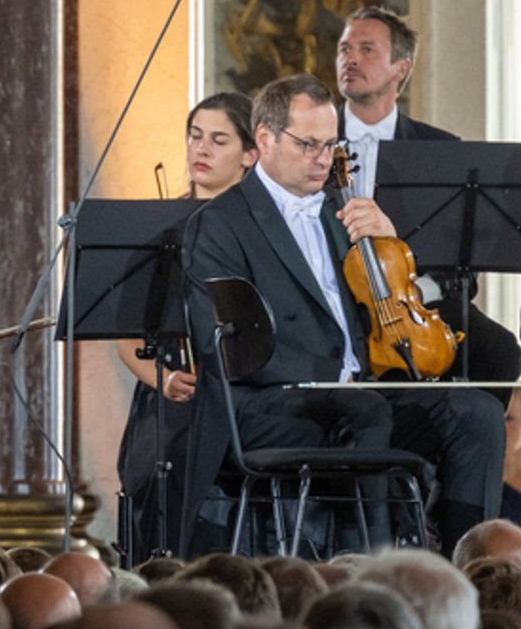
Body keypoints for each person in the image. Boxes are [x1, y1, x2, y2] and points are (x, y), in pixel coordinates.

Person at [182, 73, 506, 556]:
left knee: (476, 413)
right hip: (269, 403)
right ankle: (372, 568)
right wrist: (333, 379)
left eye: (331, 143)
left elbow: (387, 305)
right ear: (266, 139)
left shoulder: (345, 210)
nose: (323, 158)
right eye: (309, 144)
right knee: (366, 410)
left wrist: (387, 239)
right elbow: (225, 347)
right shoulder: (217, 225)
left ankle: (468, 570)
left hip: (356, 394)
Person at [334, 5, 521, 404]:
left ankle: (463, 458)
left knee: (499, 350)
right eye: (344, 48)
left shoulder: (440, 149)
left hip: (419, 303)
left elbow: (463, 267)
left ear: (401, 68)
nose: (350, 58)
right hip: (337, 293)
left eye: (367, 49)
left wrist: (416, 292)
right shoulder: (313, 141)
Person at [116, 94, 256, 559]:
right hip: (175, 391)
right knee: (163, 461)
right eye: (195, 137)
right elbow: (127, 338)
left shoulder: (259, 229)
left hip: (242, 399)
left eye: (219, 140)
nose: (202, 150)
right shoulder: (159, 230)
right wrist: (164, 378)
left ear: (249, 155)